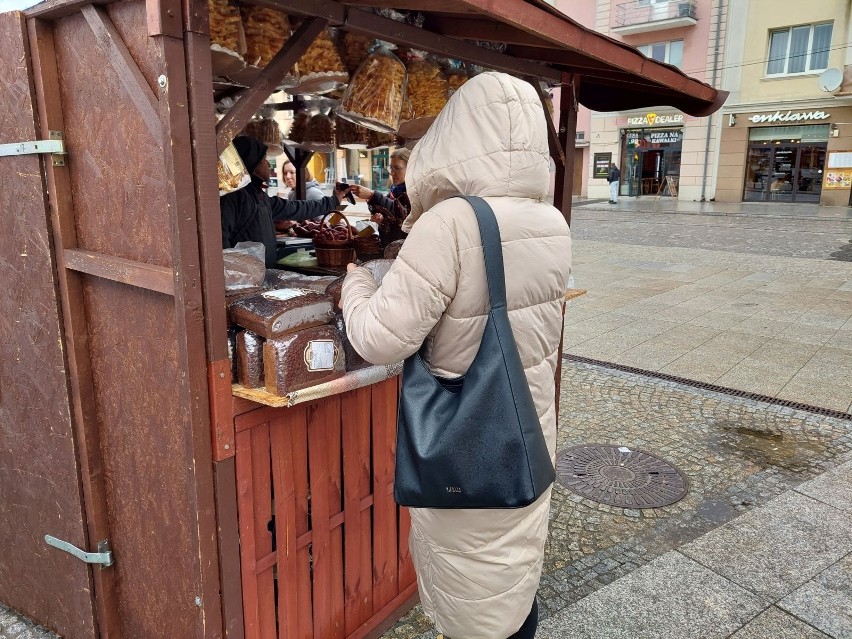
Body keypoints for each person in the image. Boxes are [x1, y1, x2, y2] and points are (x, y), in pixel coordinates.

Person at [339, 73, 572, 639]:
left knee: (472, 590)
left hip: (466, 442)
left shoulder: (451, 223)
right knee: (511, 575)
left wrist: (355, 284)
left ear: (457, 135)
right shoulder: (551, 222)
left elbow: (377, 339)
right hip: (528, 429)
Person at [220, 136, 350, 267]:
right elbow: (221, 239)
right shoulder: (232, 197)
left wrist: (333, 201)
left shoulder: (259, 196)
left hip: (262, 274)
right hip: (245, 280)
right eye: (264, 159)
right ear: (254, 163)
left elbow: (296, 208)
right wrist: (233, 277)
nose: (269, 164)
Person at [350, 148, 411, 245]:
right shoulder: (393, 191)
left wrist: (372, 195)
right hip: (389, 249)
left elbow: (400, 212)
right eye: (391, 168)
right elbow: (387, 212)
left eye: (397, 168)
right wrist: (375, 221)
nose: (391, 173)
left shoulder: (415, 193)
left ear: (410, 168)